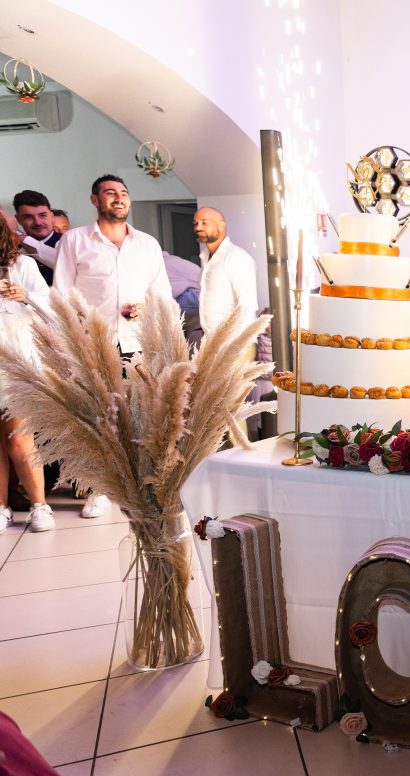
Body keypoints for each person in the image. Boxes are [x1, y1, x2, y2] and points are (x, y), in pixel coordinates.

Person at [54, 174, 174, 519]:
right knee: (99, 417)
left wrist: (146, 309)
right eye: (110, 193)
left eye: (123, 193)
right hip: (94, 345)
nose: (119, 198)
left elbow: (162, 294)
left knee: (140, 414)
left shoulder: (147, 244)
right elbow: (61, 295)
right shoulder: (75, 241)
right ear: (95, 200)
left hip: (137, 342)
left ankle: (142, 483)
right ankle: (98, 489)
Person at [0, 212, 56, 532]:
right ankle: (2, 508)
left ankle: (39, 505)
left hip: (15, 362)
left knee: (18, 437)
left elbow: (53, 313)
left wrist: (25, 296)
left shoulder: (23, 266)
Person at [193, 207, 258, 342]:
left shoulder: (236, 257)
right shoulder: (206, 258)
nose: (198, 227)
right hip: (211, 341)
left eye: (204, 222)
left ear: (221, 226)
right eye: (196, 223)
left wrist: (241, 344)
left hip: (234, 342)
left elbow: (247, 305)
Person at [12, 190, 61, 286]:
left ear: (52, 216)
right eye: (28, 217)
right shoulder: (10, 248)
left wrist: (22, 239)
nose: (37, 222)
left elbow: (65, 265)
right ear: (18, 219)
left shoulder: (68, 242)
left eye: (42, 215)